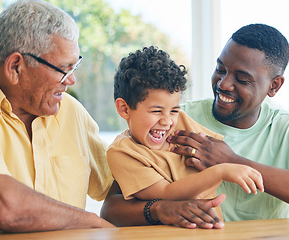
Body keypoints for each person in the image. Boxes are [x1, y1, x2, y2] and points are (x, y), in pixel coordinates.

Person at [101, 23, 289, 228]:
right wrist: (160, 209)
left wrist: (232, 161)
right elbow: (112, 208)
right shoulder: (174, 120)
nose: (224, 84)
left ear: (274, 86)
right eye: (220, 69)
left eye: (241, 79)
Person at [0, 0, 114, 234]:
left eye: (74, 67)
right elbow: (4, 205)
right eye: (64, 69)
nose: (71, 80)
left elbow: (122, 188)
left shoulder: (72, 112)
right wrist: (92, 222)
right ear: (16, 67)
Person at [107, 46, 264, 223]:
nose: (167, 121)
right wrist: (221, 171)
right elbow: (166, 193)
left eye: (173, 110)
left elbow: (213, 155)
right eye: (156, 111)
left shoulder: (180, 121)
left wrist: (224, 167)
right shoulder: (122, 152)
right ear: (124, 109)